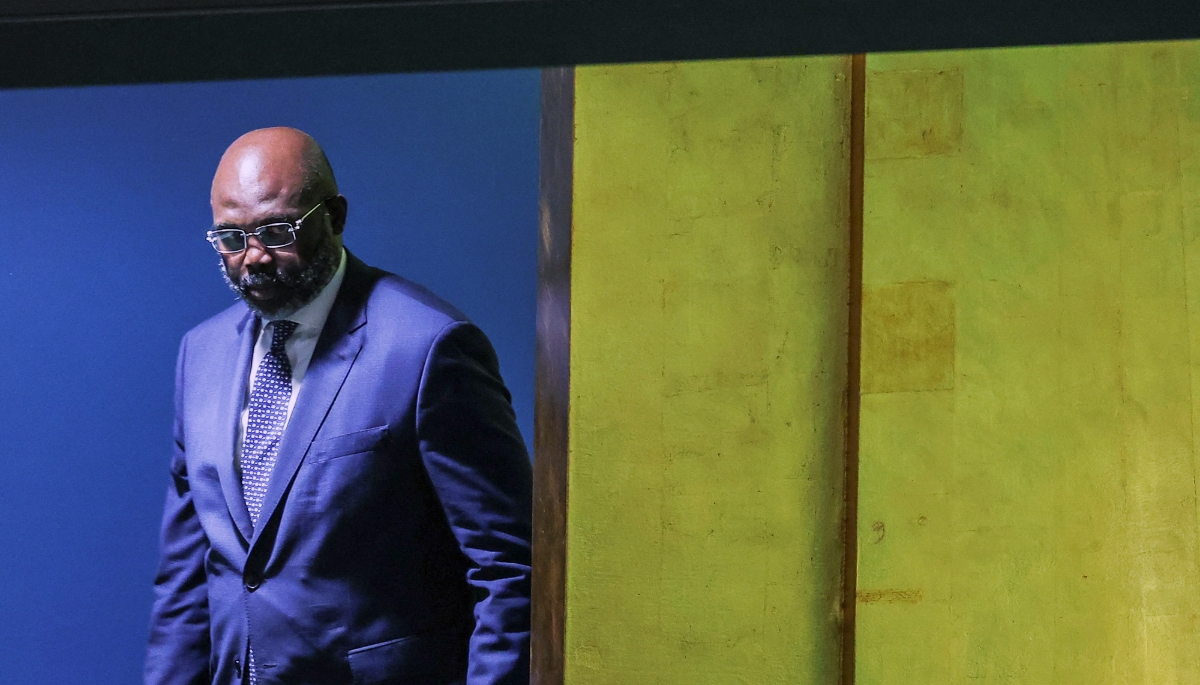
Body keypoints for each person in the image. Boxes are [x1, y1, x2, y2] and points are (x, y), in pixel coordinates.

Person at [145, 127, 532, 685]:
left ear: (336, 216)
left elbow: (508, 569)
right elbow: (186, 579)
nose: (252, 258)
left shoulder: (428, 348)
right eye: (231, 238)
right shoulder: (199, 355)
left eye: (276, 232)